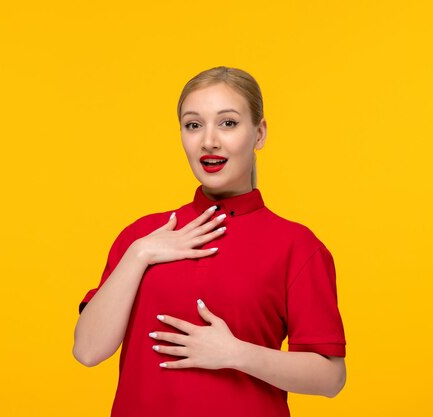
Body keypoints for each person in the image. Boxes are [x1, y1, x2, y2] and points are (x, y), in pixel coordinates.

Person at [72, 66, 347, 416]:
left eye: (228, 123)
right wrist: (140, 253)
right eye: (193, 125)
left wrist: (235, 353)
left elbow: (331, 377)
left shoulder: (297, 245)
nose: (209, 141)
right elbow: (88, 351)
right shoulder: (142, 235)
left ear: (259, 134)